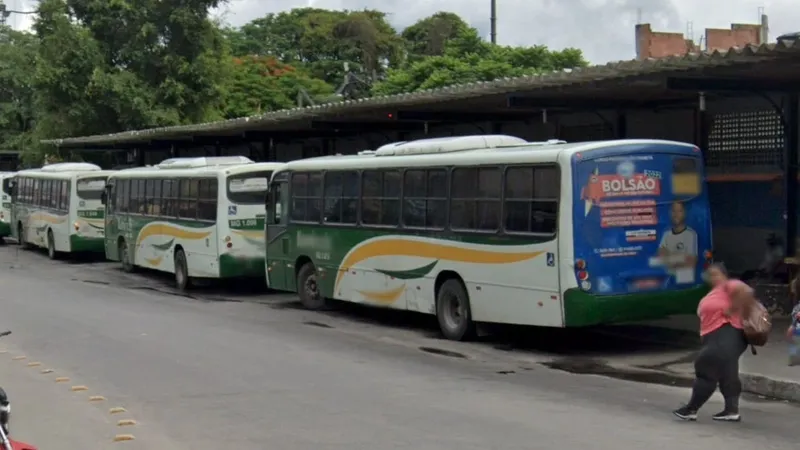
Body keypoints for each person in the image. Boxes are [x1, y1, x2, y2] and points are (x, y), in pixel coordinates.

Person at [673, 263, 752, 422]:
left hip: (727, 333)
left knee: (706, 367)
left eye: (716, 274)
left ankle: (691, 409)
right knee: (727, 373)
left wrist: (732, 309)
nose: (713, 277)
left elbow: (746, 292)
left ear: (724, 275)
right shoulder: (714, 293)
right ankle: (731, 410)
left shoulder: (730, 285)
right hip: (718, 337)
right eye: (710, 275)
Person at [658, 201, 698, 285]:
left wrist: (669, 256)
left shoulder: (690, 234)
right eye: (673, 211)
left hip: (685, 280)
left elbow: (690, 263)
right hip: (669, 281)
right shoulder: (666, 234)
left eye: (679, 211)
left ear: (684, 213)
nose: (676, 214)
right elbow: (661, 256)